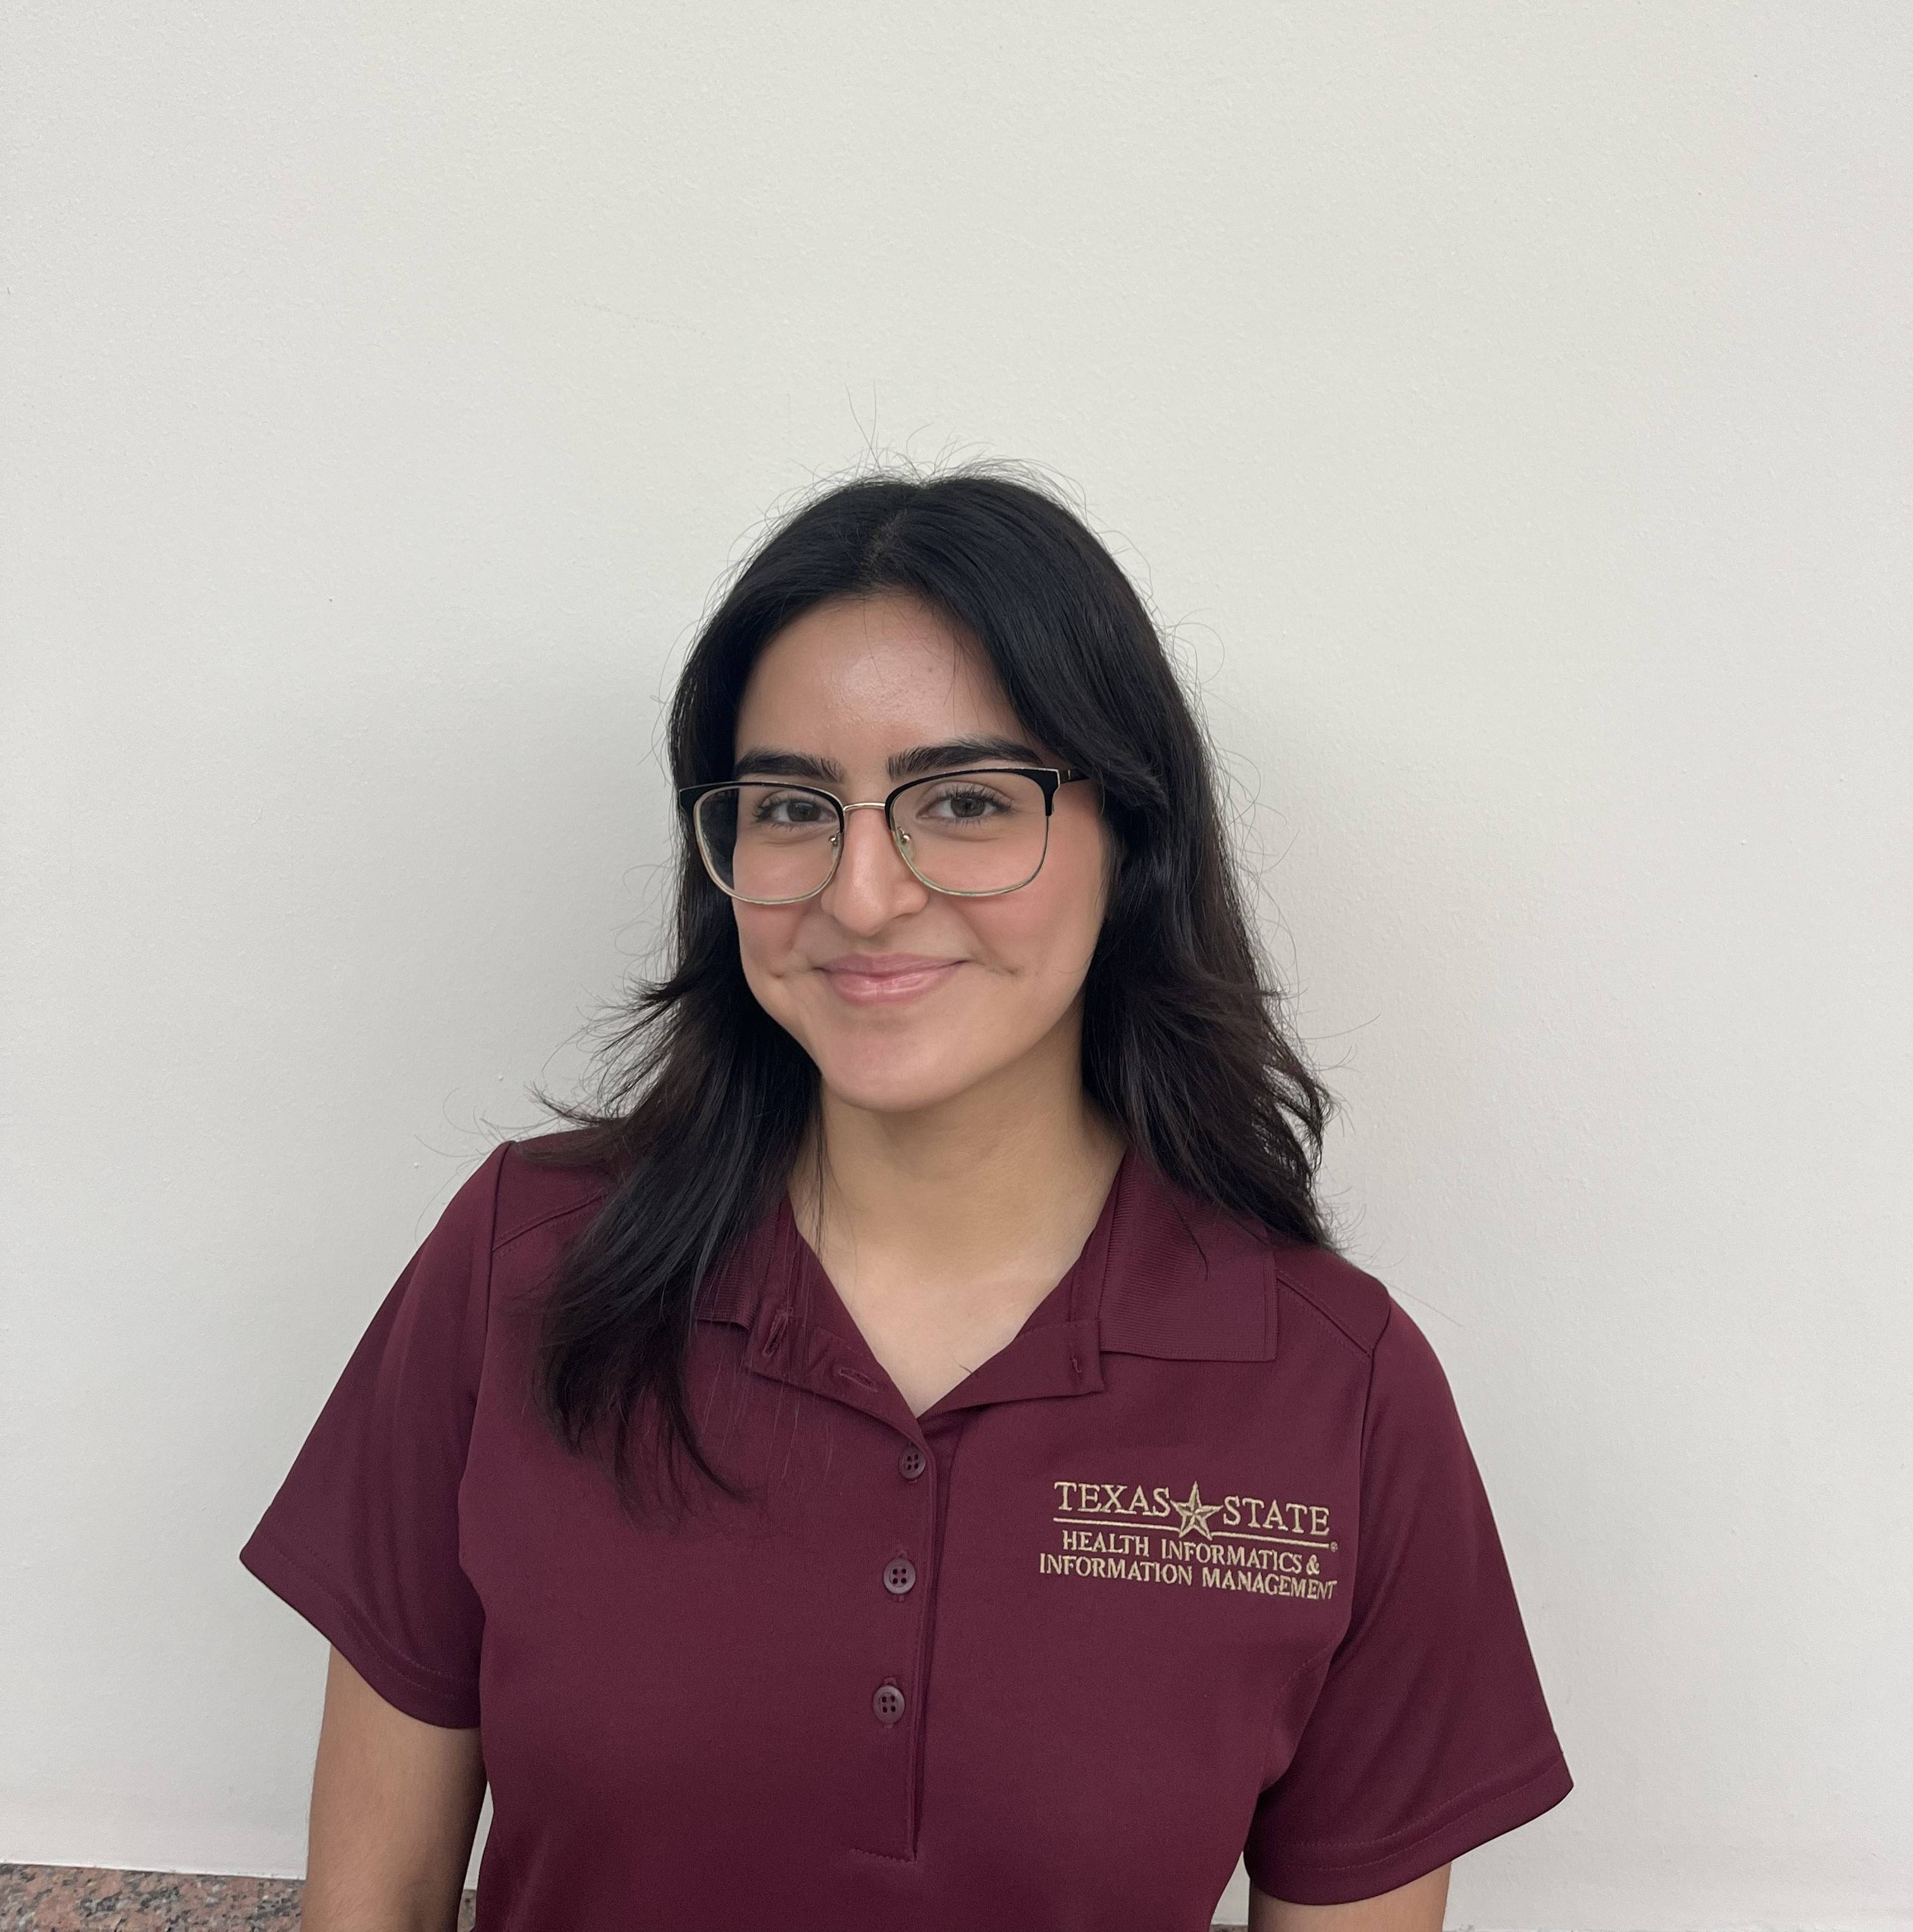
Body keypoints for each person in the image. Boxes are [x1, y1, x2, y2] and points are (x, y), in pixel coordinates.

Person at [239, 462, 1572, 1931]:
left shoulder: (1342, 1394)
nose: (863, 893)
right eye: (791, 807)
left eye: (966, 800)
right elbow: (378, 1901)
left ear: (1131, 839)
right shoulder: (520, 1267)